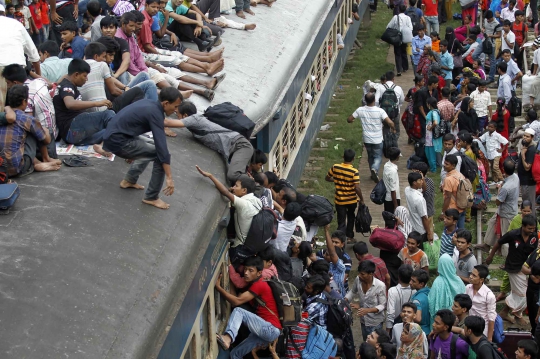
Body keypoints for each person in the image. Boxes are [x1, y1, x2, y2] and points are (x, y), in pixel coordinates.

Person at [102, 88, 183, 209]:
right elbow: (162, 149)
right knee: (158, 154)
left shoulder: (150, 104)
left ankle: (129, 180)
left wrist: (135, 152)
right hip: (118, 141)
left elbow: (130, 123)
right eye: (175, 107)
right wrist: (169, 178)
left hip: (116, 136)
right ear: (166, 103)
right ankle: (151, 197)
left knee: (151, 146)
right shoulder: (155, 113)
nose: (176, 111)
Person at [168, 101, 254, 184]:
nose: (176, 116)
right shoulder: (197, 120)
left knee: (233, 175)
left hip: (240, 145)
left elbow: (167, 122)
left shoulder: (194, 119)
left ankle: (256, 187)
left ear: (185, 115)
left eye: (177, 114)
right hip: (237, 146)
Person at [215, 256, 281, 359]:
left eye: (251, 271)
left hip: (270, 328)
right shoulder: (257, 283)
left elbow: (237, 302)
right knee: (235, 354)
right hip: (269, 333)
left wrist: (218, 288)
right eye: (245, 269)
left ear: (259, 273)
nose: (246, 273)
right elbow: (236, 298)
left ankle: (228, 338)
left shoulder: (259, 285)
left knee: (239, 311)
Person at [52, 59, 115, 154]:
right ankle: (105, 147)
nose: (86, 79)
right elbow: (70, 104)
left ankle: (103, 144)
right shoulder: (67, 86)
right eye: (85, 76)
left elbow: (66, 76)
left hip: (71, 137)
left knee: (108, 131)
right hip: (72, 126)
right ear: (76, 75)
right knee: (109, 114)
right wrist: (97, 103)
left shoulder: (65, 83)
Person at [486, 214, 538, 325]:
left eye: (533, 228)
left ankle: (505, 312)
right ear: (523, 226)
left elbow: (534, 252)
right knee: (524, 294)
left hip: (527, 267)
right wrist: (491, 256)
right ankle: (517, 314)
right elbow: (498, 243)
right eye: (529, 228)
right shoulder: (513, 234)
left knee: (518, 293)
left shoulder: (534, 237)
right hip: (514, 267)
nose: (531, 231)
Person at [0, 84, 61, 176]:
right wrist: (46, 130)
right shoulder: (27, 118)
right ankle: (41, 161)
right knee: (37, 130)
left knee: (25, 133)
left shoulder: (4, 116)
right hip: (18, 167)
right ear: (24, 101)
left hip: (2, 169)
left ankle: (39, 162)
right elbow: (46, 140)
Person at [80, 42, 146, 113]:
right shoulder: (101, 65)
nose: (105, 60)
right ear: (96, 56)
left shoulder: (79, 68)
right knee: (137, 91)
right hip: (104, 112)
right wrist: (127, 94)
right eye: (103, 57)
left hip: (87, 112)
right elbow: (113, 91)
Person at [347, 93, 395, 183]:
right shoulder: (380, 111)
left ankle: (372, 173)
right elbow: (390, 122)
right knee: (378, 156)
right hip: (377, 139)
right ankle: (374, 169)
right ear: (374, 100)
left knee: (370, 156)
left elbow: (349, 119)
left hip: (366, 139)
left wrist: (352, 120)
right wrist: (393, 128)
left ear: (365, 100)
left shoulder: (360, 110)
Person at [0, 14, 41, 112]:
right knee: (19, 107)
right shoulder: (15, 23)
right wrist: (39, 77)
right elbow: (33, 54)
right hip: (16, 66)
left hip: (4, 66)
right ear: (4, 13)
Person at [326, 148, 364, 240]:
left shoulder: (335, 167)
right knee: (351, 217)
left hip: (339, 200)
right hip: (351, 200)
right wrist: (361, 199)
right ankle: (350, 237)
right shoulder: (354, 172)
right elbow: (357, 187)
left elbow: (327, 178)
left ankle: (339, 240)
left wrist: (336, 180)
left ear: (343, 157)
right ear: (353, 159)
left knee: (341, 221)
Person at [346, 260, 387, 341]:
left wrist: (367, 310)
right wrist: (345, 300)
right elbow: (353, 291)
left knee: (375, 344)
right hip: (363, 320)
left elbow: (382, 305)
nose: (359, 275)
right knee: (366, 341)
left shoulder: (380, 286)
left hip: (375, 323)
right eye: (359, 273)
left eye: (362, 274)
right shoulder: (358, 279)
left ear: (371, 274)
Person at [428, 254, 466, 325]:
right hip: (457, 319)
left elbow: (432, 302)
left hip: (440, 321)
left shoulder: (438, 282)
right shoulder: (458, 280)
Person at [466, 264, 497, 341]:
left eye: (474, 275)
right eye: (471, 274)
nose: (470, 277)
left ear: (481, 280)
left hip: (482, 331)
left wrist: (489, 338)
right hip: (469, 327)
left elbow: (491, 318)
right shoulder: (468, 288)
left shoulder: (489, 295)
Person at [439, 154, 466, 229]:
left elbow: (448, 197)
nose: (444, 165)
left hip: (452, 210)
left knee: (449, 232)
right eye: (444, 163)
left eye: (447, 164)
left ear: (453, 165)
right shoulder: (460, 175)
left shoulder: (448, 179)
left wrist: (443, 212)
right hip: (462, 207)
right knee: (460, 232)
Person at [387, 265, 416, 332]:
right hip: (411, 325)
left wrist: (388, 329)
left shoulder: (392, 291)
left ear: (399, 277)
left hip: (395, 325)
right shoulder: (415, 290)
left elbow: (390, 312)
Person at [376, 71, 405, 138]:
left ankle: (386, 143)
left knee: (385, 129)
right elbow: (401, 100)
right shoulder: (398, 88)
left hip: (384, 113)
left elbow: (376, 100)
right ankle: (394, 144)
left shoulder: (380, 88)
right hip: (395, 113)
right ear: (393, 79)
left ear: (385, 78)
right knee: (396, 129)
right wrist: (398, 106)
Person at [387, 5, 413, 76]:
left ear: (399, 9)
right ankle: (405, 67)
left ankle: (399, 69)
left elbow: (389, 26)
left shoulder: (395, 17)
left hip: (397, 38)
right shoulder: (408, 18)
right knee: (404, 52)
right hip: (405, 37)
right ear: (405, 10)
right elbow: (411, 28)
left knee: (397, 53)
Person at [322, 224, 347, 297]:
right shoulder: (324, 260)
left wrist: (326, 231)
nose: (333, 245)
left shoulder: (342, 265)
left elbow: (332, 253)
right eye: (332, 242)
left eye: (336, 242)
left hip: (337, 297)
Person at [404, 173, 431, 240]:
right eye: (420, 180)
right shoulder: (419, 199)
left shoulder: (407, 190)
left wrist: (422, 178)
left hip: (413, 227)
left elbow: (424, 189)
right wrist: (429, 233)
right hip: (421, 230)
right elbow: (424, 218)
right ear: (414, 183)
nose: (422, 182)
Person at [518, 129, 537, 220]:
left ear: (532, 138)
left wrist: (522, 154)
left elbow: (527, 167)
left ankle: (532, 223)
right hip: (524, 181)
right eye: (524, 135)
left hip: (528, 182)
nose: (525, 138)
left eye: (527, 136)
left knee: (529, 204)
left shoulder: (530, 150)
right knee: (527, 203)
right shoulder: (526, 147)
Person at [410, 269, 431, 335]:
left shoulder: (417, 300)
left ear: (421, 284)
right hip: (429, 329)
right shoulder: (429, 292)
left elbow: (418, 318)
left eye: (413, 281)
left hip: (420, 332)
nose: (410, 282)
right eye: (411, 280)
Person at [483, 11, 502, 83]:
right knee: (476, 55)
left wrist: (490, 35)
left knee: (492, 60)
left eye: (489, 19)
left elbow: (499, 35)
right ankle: (482, 74)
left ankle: (491, 77)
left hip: (492, 43)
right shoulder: (485, 20)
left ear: (492, 18)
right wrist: (483, 30)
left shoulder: (497, 24)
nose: (487, 20)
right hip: (484, 41)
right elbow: (484, 27)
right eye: (487, 19)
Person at [424, 97, 442, 173]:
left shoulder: (433, 112)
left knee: (430, 153)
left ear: (429, 104)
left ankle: (433, 169)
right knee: (429, 152)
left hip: (431, 137)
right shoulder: (435, 111)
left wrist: (431, 127)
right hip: (429, 136)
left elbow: (435, 122)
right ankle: (432, 167)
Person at [383, 147, 401, 213]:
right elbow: (393, 190)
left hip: (387, 198)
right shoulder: (393, 171)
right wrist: (395, 206)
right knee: (393, 222)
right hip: (392, 200)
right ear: (397, 157)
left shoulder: (386, 165)